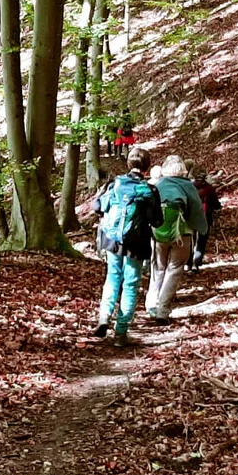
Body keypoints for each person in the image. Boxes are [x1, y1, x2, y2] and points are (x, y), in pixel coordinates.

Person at [91, 147, 162, 347]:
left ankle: (104, 316)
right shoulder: (149, 190)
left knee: (112, 278)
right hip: (137, 244)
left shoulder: (115, 183)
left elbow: (97, 207)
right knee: (130, 284)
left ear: (128, 164)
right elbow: (158, 221)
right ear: (147, 167)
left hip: (113, 241)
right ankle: (120, 334)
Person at [146, 156, 209, 325]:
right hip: (183, 235)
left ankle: (151, 304)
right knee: (174, 270)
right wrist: (202, 229)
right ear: (182, 170)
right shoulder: (188, 186)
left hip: (159, 234)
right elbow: (196, 212)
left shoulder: (158, 185)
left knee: (157, 268)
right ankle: (163, 310)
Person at [192, 168, 222, 270]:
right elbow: (216, 204)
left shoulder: (190, 187)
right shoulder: (209, 188)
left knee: (191, 239)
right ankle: (197, 262)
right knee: (202, 240)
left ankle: (188, 263)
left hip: (191, 217)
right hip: (205, 217)